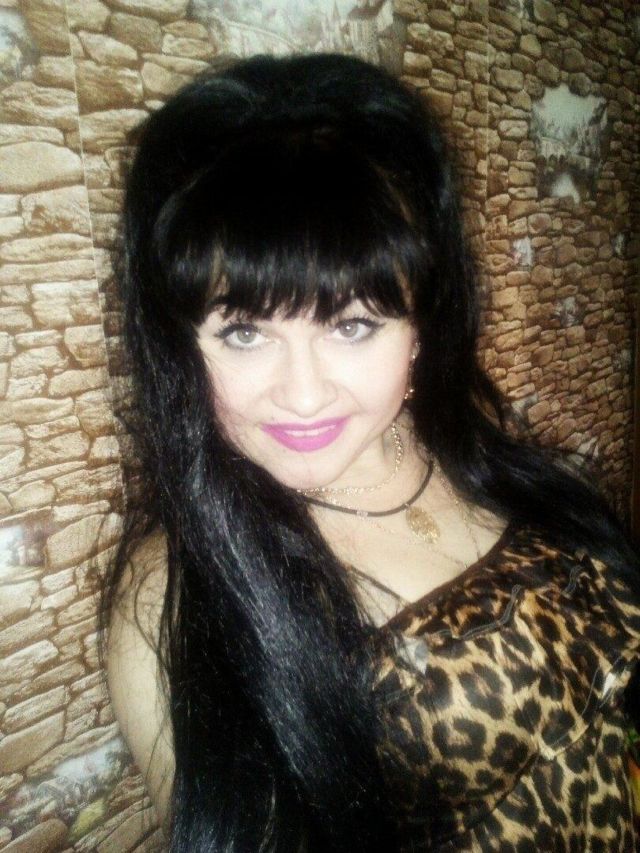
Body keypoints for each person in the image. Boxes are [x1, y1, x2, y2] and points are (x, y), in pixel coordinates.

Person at [105, 52, 640, 852]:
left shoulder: (483, 461)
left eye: (352, 324)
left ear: (421, 325)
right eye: (244, 332)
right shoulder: (175, 598)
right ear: (182, 345)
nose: (304, 395)